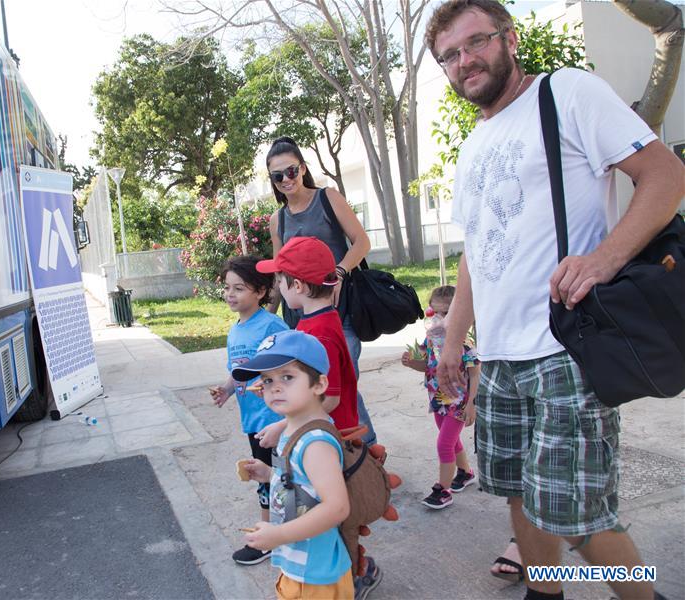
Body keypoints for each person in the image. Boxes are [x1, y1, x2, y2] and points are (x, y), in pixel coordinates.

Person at [425, 1, 684, 598]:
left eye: (477, 42)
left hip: (565, 346)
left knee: (578, 517)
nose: (466, 61)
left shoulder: (565, 94)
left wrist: (605, 257)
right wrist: (458, 340)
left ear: (508, 39)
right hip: (499, 358)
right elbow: (476, 252)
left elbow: (666, 176)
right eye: (451, 56)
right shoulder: (473, 145)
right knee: (518, 492)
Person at [255, 236, 383, 598]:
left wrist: (283, 423)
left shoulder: (320, 333)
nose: (279, 288)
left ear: (296, 285)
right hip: (323, 433)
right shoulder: (316, 324)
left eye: (280, 281)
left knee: (334, 519)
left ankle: (352, 577)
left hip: (330, 438)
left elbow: (332, 396)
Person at [265, 136, 378, 445]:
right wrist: (265, 317)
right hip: (299, 319)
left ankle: (366, 452)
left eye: (291, 171)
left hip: (338, 311)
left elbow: (361, 241)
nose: (286, 179)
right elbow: (279, 269)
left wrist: (339, 271)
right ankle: (326, 450)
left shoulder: (328, 198)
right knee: (314, 387)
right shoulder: (278, 219)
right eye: (278, 176)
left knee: (342, 384)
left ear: (302, 168)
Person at [233, 330, 354, 600]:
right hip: (299, 564)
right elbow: (304, 483)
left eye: (287, 377)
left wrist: (278, 535)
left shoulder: (315, 443)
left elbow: (337, 507)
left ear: (319, 384)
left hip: (317, 575)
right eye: (267, 380)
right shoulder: (292, 429)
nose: (274, 387)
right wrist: (270, 475)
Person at [209, 255, 289, 566]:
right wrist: (226, 390)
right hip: (253, 420)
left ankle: (272, 536)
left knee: (281, 477)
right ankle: (275, 533)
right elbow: (237, 370)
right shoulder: (235, 330)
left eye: (239, 288)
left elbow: (289, 367)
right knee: (264, 477)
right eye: (228, 288)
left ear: (260, 291)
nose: (230, 294)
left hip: (276, 420)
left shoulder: (271, 325)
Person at [401, 286, 480, 510]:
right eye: (434, 312)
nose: (439, 319)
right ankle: (465, 473)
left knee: (444, 444)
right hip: (438, 400)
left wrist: (472, 404)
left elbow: (475, 374)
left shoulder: (465, 344)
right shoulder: (431, 340)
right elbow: (427, 366)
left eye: (446, 313)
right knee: (451, 441)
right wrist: (412, 362)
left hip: (458, 402)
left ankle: (442, 490)